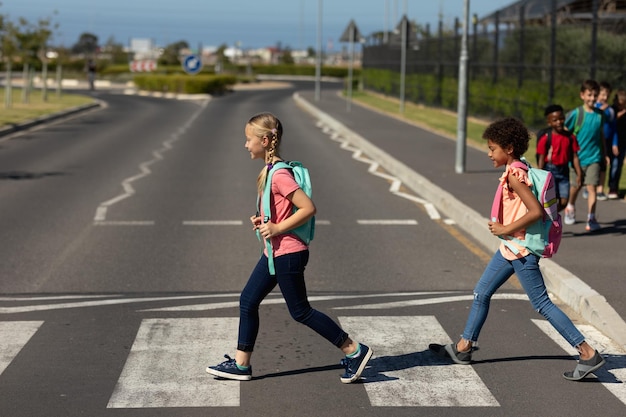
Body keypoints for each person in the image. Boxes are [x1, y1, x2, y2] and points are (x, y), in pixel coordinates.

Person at [429, 117, 605, 381]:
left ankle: (587, 352)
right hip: (510, 248)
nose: (489, 154)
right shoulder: (520, 167)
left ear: (509, 148)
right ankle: (463, 348)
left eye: (492, 148)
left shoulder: (515, 175)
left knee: (542, 303)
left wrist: (505, 229)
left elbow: (535, 211)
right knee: (481, 292)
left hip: (520, 250)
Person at [205, 112, 372, 383]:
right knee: (248, 301)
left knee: (301, 311)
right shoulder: (269, 171)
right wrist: (264, 219)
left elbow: (308, 208)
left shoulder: (280, 174)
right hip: (274, 252)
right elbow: (282, 210)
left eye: (249, 140)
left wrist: (277, 228)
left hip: (289, 253)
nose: (246, 145)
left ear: (266, 140)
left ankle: (354, 350)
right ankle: (241, 365)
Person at [563, 79, 606, 231]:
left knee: (592, 188)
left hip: (594, 157)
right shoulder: (576, 114)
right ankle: (570, 206)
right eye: (589, 95)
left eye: (595, 95)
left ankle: (591, 218)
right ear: (582, 95)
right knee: (576, 186)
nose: (592, 98)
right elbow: (564, 131)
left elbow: (600, 135)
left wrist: (604, 154)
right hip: (577, 159)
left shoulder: (600, 115)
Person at [537, 104, 583, 212]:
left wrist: (579, 173)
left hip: (564, 172)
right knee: (550, 200)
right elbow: (541, 157)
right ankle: (549, 219)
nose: (559, 122)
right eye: (555, 120)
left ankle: (550, 216)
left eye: (561, 119)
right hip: (550, 171)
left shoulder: (570, 137)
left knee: (564, 202)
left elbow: (575, 156)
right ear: (549, 122)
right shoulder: (546, 138)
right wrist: (539, 175)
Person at [593, 81, 616, 200]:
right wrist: (601, 109)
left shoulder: (611, 110)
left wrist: (614, 143)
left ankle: (600, 189)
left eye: (607, 95)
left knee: (603, 165)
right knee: (593, 165)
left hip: (606, 143)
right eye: (602, 94)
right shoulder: (594, 107)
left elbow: (614, 128)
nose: (605, 97)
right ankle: (590, 188)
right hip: (594, 142)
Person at [610, 88, 626, 199]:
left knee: (619, 165)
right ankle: (610, 187)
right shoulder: (612, 110)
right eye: (620, 104)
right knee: (614, 165)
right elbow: (611, 121)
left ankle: (614, 188)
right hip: (612, 142)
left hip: (623, 143)